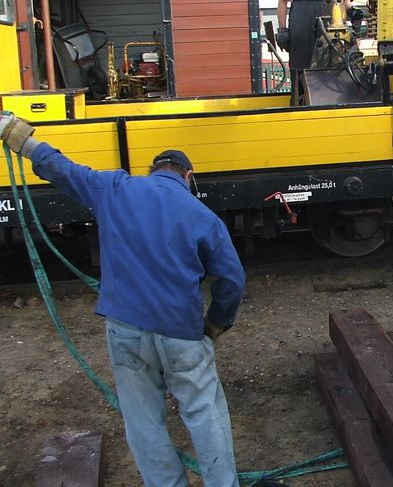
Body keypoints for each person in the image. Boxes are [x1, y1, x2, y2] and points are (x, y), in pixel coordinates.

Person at [0, 112, 246, 487]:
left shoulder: (115, 189)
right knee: (204, 413)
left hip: (125, 331)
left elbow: (62, 169)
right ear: (188, 176)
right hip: (181, 333)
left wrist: (17, 134)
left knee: (143, 421)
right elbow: (232, 278)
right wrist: (214, 324)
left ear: (153, 171)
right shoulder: (203, 216)